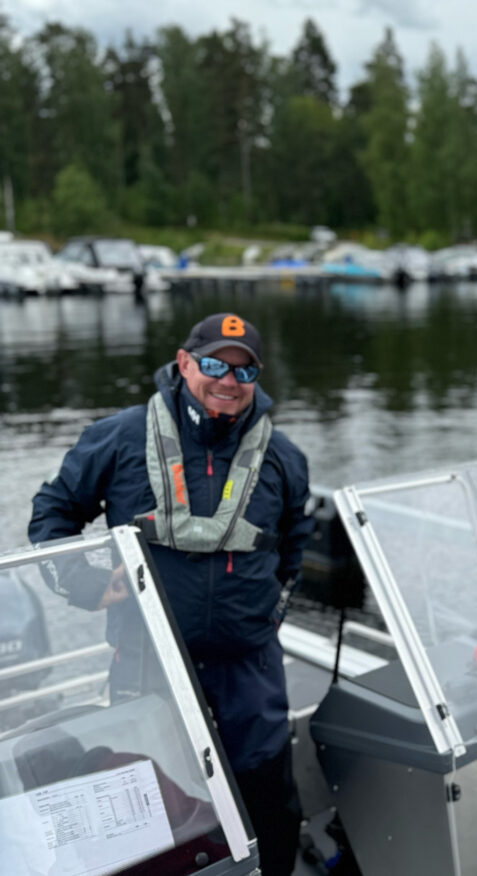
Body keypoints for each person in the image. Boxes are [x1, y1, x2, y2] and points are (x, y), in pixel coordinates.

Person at [29, 312, 314, 876]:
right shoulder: (117, 438)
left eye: (244, 371)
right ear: (184, 363)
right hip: (148, 658)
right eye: (214, 365)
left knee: (268, 795)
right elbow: (51, 515)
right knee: (149, 796)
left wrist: (263, 618)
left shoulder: (284, 457)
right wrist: (88, 585)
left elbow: (294, 549)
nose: (228, 382)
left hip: (248, 666)